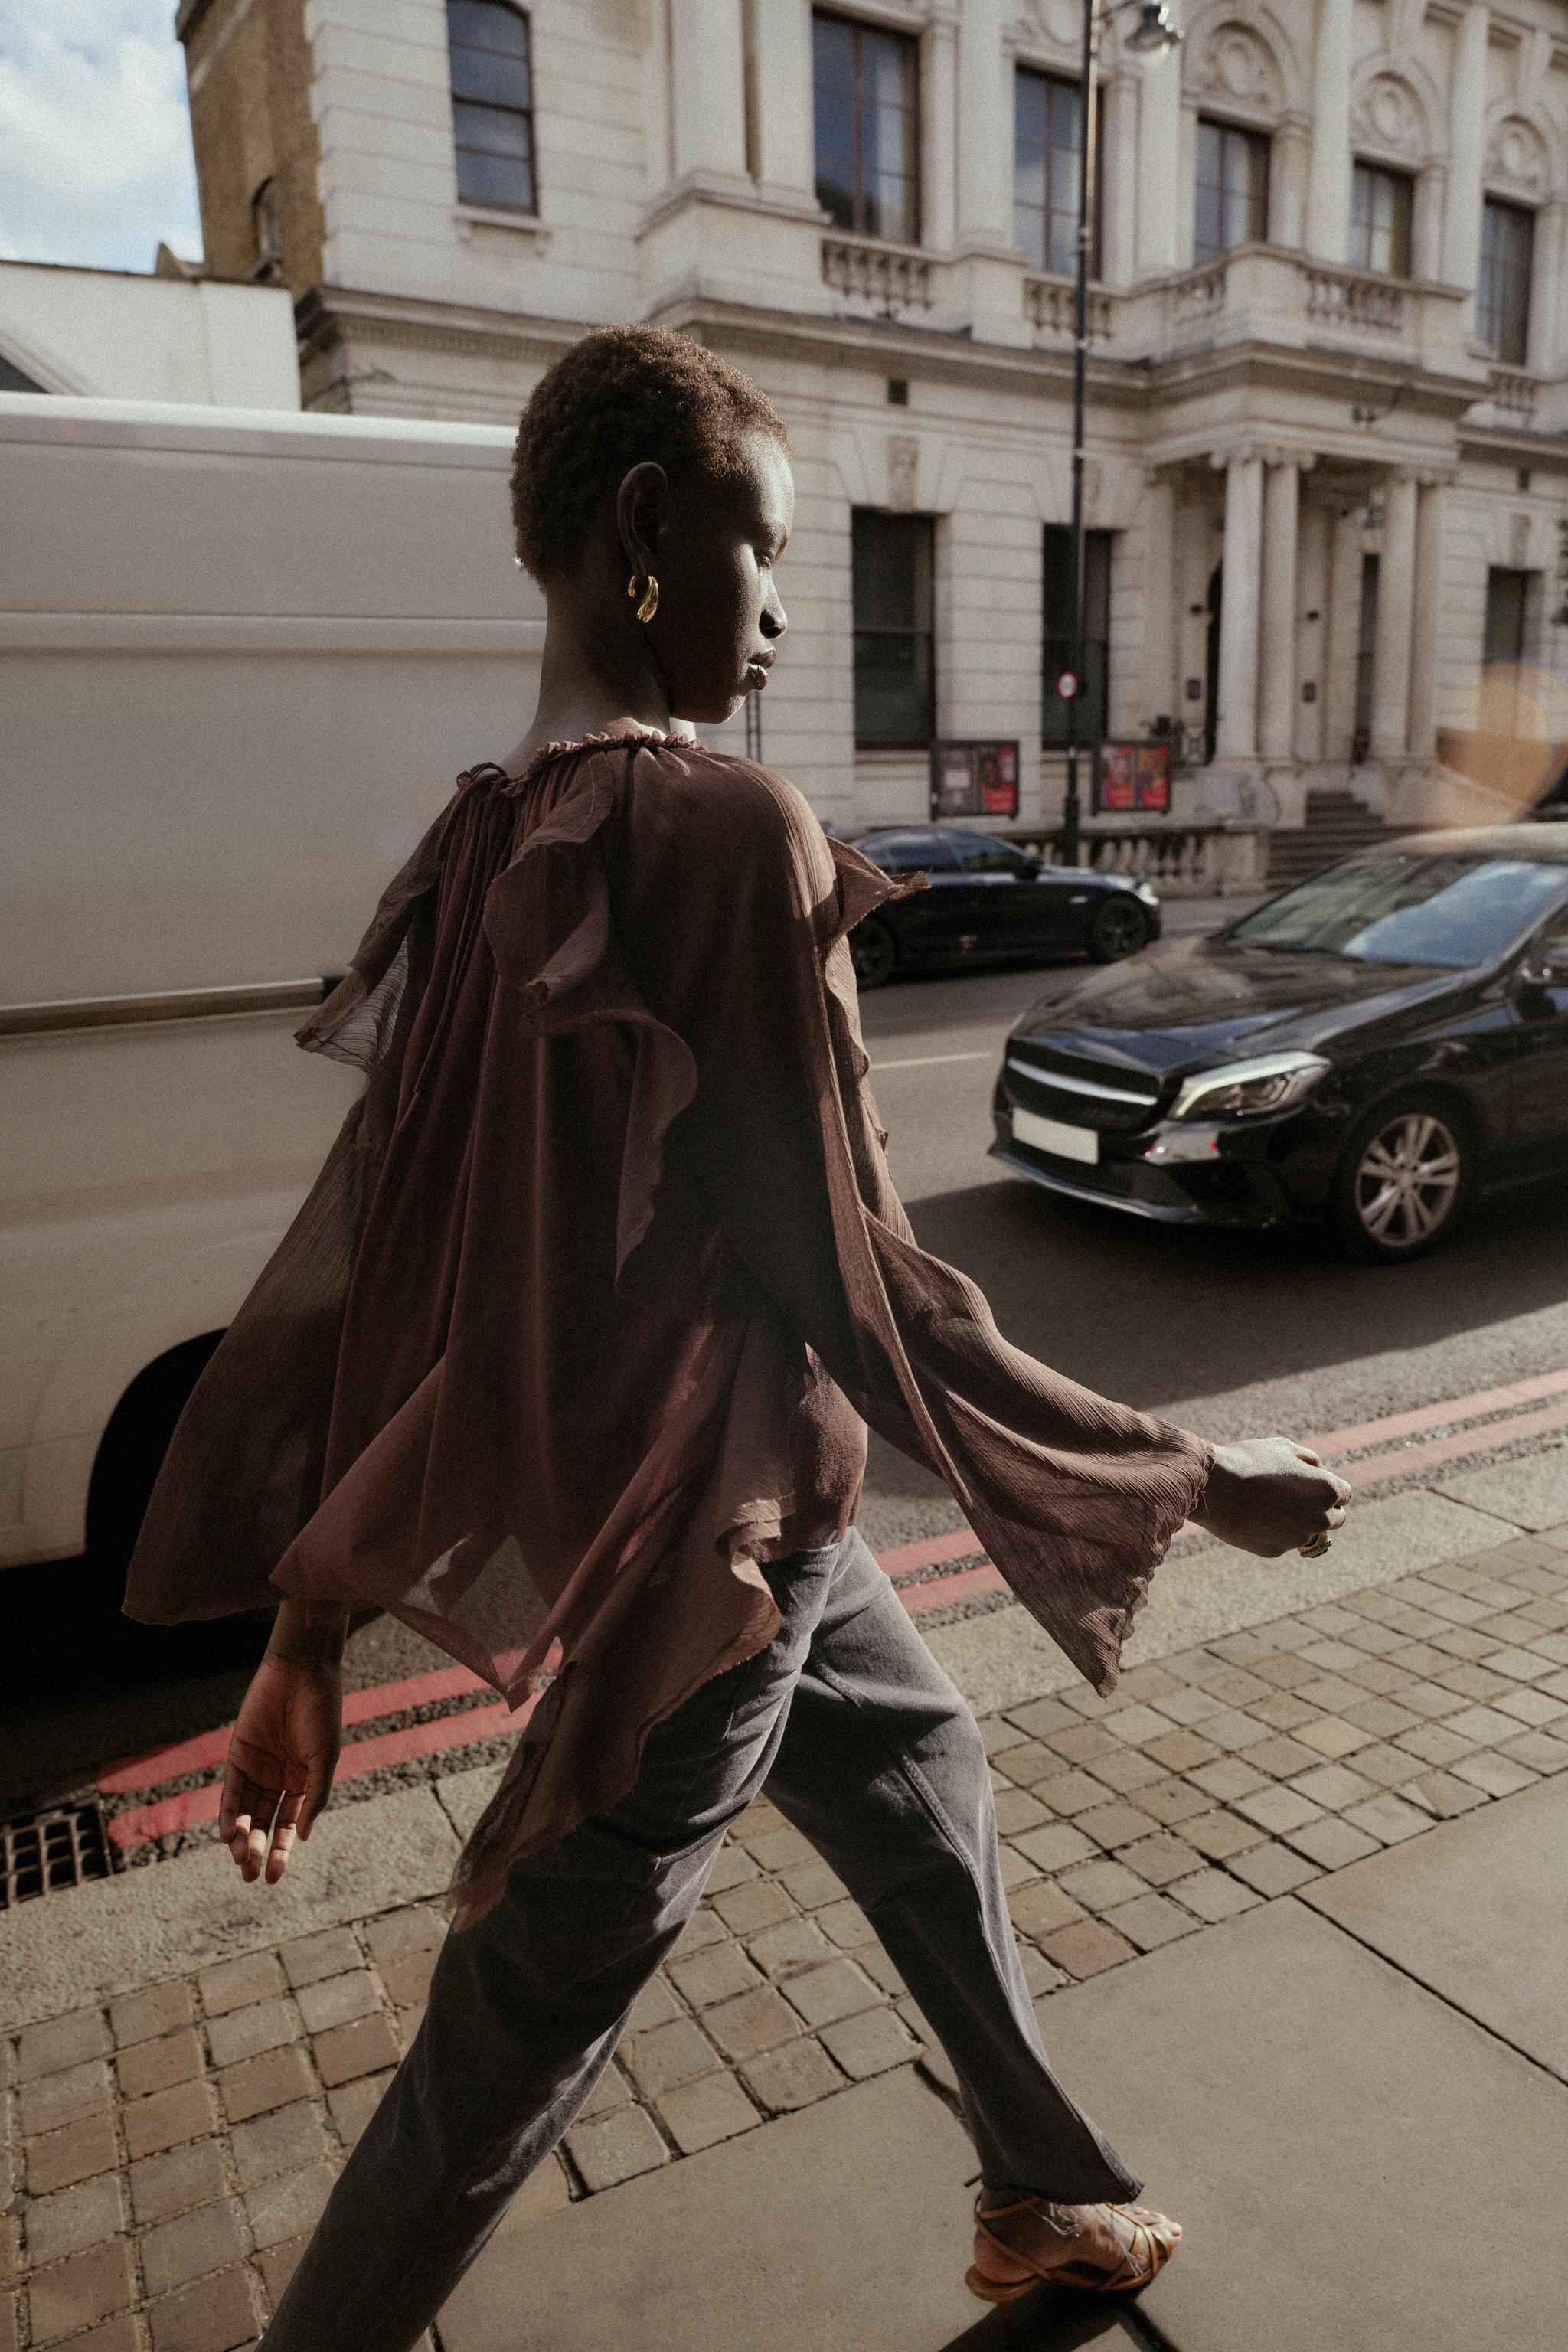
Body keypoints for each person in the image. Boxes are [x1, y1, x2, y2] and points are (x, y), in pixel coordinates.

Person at [126, 325, 1349, 2344]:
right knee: (508, 2046)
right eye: (761, 555)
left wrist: (303, 1632)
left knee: (927, 1771)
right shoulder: (722, 833)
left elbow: (412, 1276)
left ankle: (1043, 2193)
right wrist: (1195, 1473)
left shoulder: (474, 842)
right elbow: (867, 1286)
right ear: (638, 536)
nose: (780, 616)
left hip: (768, 1512)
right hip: (687, 1557)